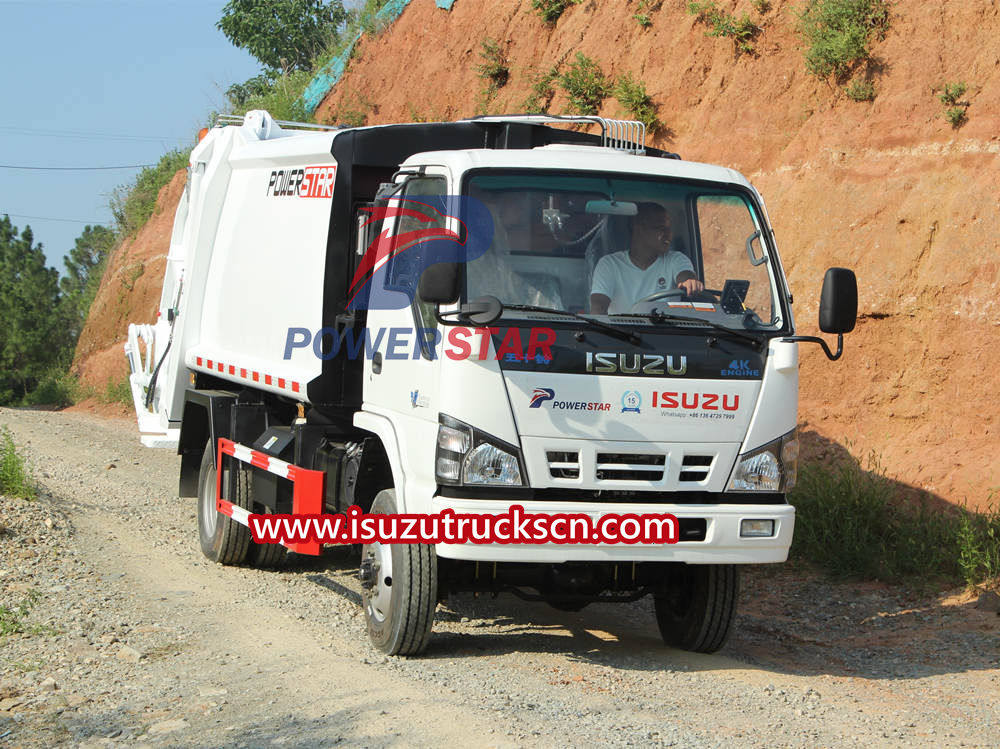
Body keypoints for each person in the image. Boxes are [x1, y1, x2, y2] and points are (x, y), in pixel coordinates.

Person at [589, 202, 704, 315]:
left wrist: (689, 282)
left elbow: (685, 276)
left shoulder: (676, 259)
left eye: (669, 228)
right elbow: (598, 306)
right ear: (639, 228)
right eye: (660, 228)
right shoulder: (610, 264)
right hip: (619, 333)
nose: (668, 233)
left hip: (665, 332)